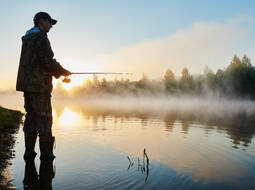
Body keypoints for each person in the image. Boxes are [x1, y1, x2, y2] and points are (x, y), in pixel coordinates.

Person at [16, 12, 71, 161]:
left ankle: (29, 153)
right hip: (39, 86)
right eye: (50, 22)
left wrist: (57, 72)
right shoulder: (40, 37)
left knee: (31, 118)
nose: (51, 26)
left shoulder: (27, 38)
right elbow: (48, 61)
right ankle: (47, 156)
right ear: (41, 21)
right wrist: (63, 71)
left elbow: (38, 62)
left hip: (27, 85)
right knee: (45, 119)